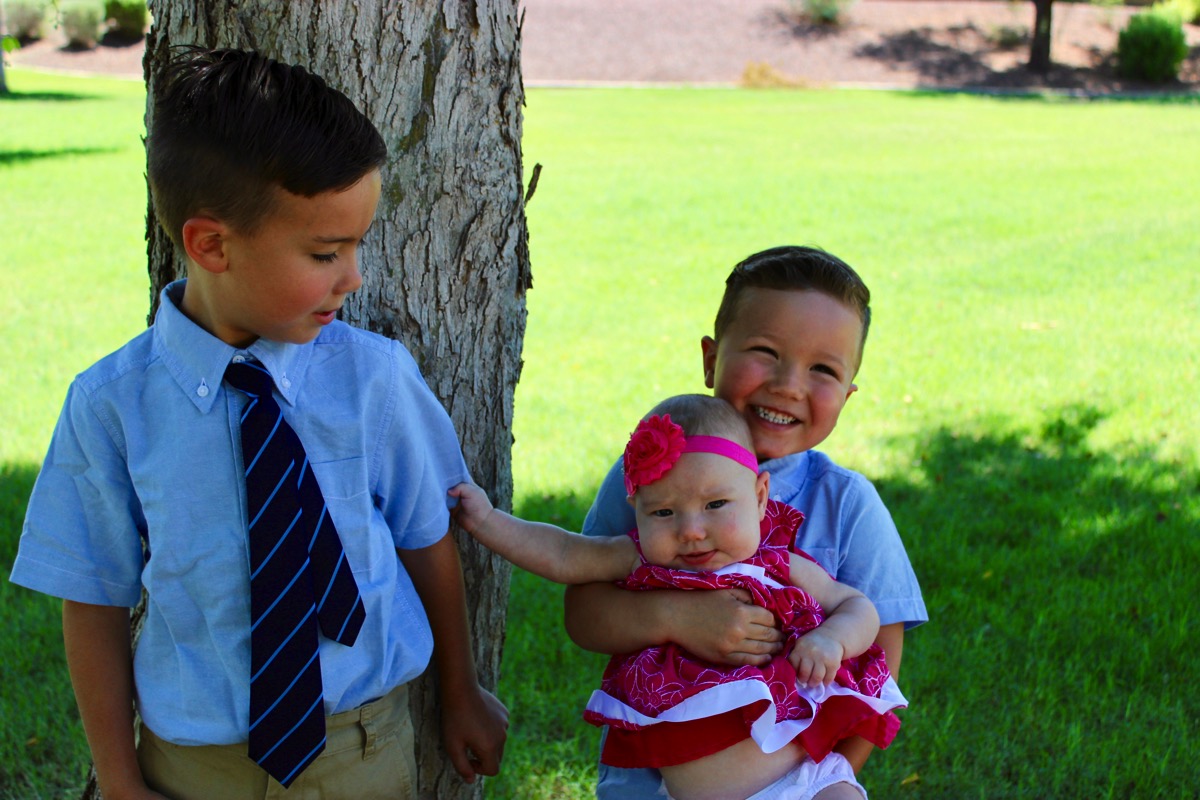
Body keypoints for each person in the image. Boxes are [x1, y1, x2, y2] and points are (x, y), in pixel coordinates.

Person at [8, 48, 506, 800]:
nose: (353, 277)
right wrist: (118, 779)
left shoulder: (373, 379)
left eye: (357, 245)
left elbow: (426, 537)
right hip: (194, 767)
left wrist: (460, 689)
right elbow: (93, 595)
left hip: (363, 749)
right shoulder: (112, 406)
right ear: (211, 244)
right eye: (325, 252)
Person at [565, 246, 929, 799]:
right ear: (711, 359)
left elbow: (881, 654)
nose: (788, 385)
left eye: (823, 369)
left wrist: (830, 777)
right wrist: (678, 618)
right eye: (765, 352)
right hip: (649, 784)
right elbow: (584, 614)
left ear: (848, 393)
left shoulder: (848, 504)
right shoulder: (651, 471)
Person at [451, 394, 907, 800]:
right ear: (637, 510)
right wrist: (488, 522)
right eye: (664, 512)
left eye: (715, 505)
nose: (691, 530)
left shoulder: (777, 562)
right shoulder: (639, 560)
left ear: (760, 497)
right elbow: (565, 553)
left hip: (807, 782)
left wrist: (831, 640)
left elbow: (857, 606)